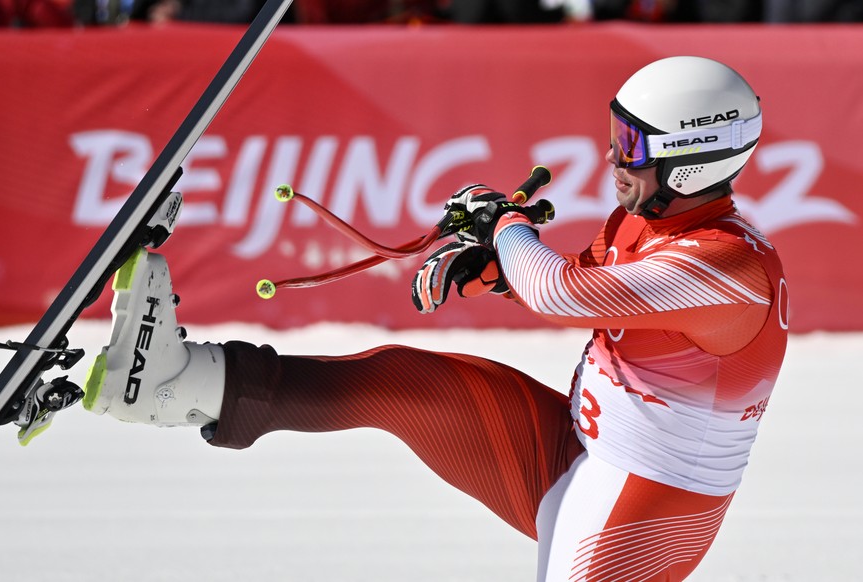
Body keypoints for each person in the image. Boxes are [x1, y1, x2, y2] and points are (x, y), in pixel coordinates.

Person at [83, 56, 788, 581]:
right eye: (616, 133)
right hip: (574, 446)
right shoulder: (645, 222)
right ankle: (174, 383)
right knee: (398, 381)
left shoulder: (727, 268)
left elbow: (562, 293)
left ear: (692, 162)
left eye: (631, 145)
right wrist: (494, 273)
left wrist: (506, 227)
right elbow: (593, 289)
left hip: (644, 502)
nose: (611, 155)